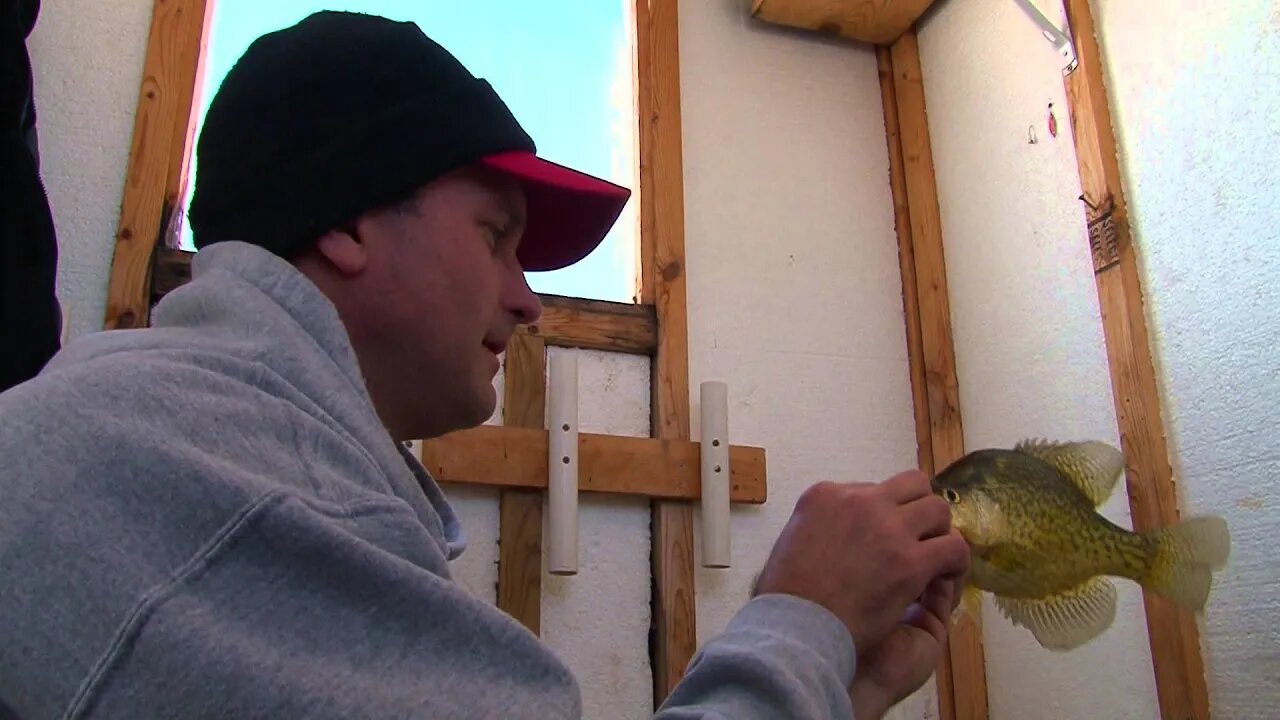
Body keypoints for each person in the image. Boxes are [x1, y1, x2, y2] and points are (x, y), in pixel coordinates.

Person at [0, 11, 970, 719]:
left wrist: (838, 679)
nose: (527, 298)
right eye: (495, 236)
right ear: (343, 221)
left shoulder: (206, 451)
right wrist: (801, 619)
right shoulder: (206, 485)